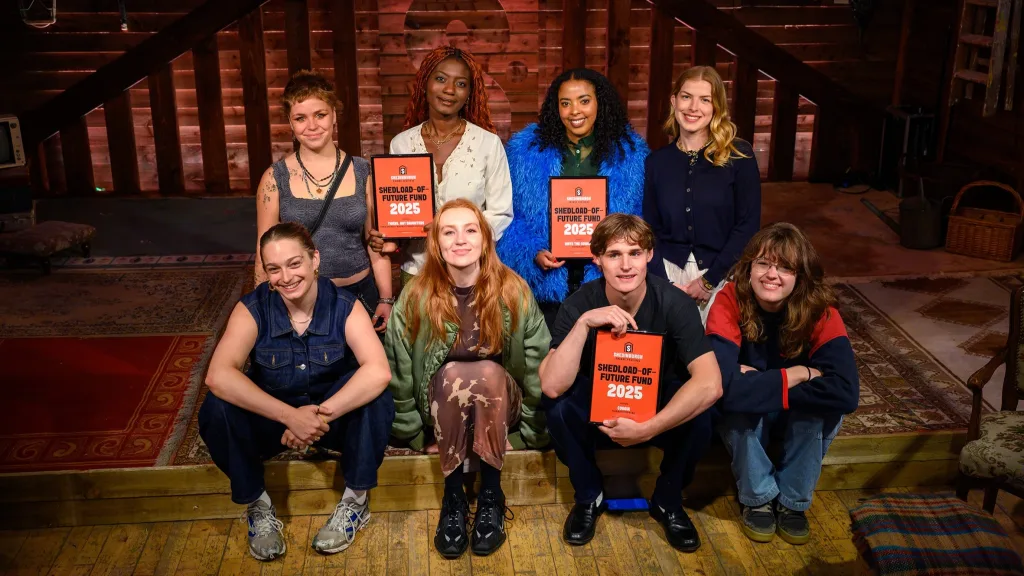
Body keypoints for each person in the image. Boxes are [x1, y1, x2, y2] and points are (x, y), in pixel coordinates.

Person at [199, 222, 394, 561]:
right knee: (218, 406)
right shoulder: (252, 308)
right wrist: (290, 417)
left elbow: (378, 371)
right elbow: (217, 375)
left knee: (375, 395)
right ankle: (257, 505)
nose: (286, 277)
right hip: (276, 422)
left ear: (314, 259)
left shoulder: (346, 305)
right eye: (273, 269)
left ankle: (355, 502)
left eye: (294, 263)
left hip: (332, 420)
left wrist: (317, 417)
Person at [539, 214, 722, 552]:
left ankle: (668, 499)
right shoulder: (580, 303)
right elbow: (550, 385)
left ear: (650, 255)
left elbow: (711, 383)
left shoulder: (674, 302)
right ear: (597, 259)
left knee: (702, 411)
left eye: (635, 253)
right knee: (558, 405)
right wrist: (583, 325)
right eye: (614, 255)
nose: (625, 265)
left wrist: (649, 428)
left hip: (656, 407)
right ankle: (589, 495)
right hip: (600, 407)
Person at [385, 198, 550, 559]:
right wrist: (414, 432)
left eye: (470, 230)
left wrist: (527, 433)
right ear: (436, 243)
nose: (460, 239)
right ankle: (453, 499)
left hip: (502, 405)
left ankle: (491, 494)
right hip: (440, 403)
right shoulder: (416, 295)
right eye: (449, 231)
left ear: (485, 239)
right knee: (453, 372)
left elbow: (539, 362)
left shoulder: (513, 289)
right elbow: (397, 368)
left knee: (487, 371)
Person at [705, 222, 858, 545]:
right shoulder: (729, 300)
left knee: (817, 411)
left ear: (800, 277)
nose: (772, 274)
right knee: (733, 408)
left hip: (792, 412)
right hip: (748, 411)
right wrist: (797, 374)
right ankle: (757, 496)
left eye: (785, 267)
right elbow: (721, 385)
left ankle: (792, 502)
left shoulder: (821, 312)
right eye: (763, 263)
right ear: (748, 269)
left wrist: (757, 383)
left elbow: (846, 392)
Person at [497, 68, 649, 328]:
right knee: (547, 364)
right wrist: (532, 252)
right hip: (544, 290)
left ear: (600, 103)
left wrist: (613, 251)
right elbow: (510, 216)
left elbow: (639, 218)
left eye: (584, 101)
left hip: (605, 287)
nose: (574, 111)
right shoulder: (525, 152)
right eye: (565, 103)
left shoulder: (631, 154)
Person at [255, 70, 394, 333]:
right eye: (300, 118)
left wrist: (386, 298)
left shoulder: (363, 172)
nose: (312, 126)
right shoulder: (275, 178)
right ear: (291, 123)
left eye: (320, 115)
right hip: (301, 299)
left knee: (368, 370)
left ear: (333, 115)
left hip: (359, 295)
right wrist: (262, 307)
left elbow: (375, 242)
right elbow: (264, 251)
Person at [369, 46, 513, 287]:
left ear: (469, 92)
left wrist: (450, 231)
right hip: (418, 272)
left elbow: (501, 213)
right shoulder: (402, 143)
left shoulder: (488, 143)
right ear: (425, 84)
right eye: (440, 79)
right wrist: (389, 238)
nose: (449, 90)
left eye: (460, 84)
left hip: (473, 274)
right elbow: (399, 211)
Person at [644, 66, 761, 325]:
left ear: (716, 107)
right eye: (686, 97)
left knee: (718, 356)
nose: (693, 107)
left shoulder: (739, 156)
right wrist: (665, 284)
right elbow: (649, 230)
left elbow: (748, 225)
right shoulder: (656, 162)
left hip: (723, 273)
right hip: (668, 274)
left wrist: (709, 282)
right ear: (674, 102)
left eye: (705, 99)